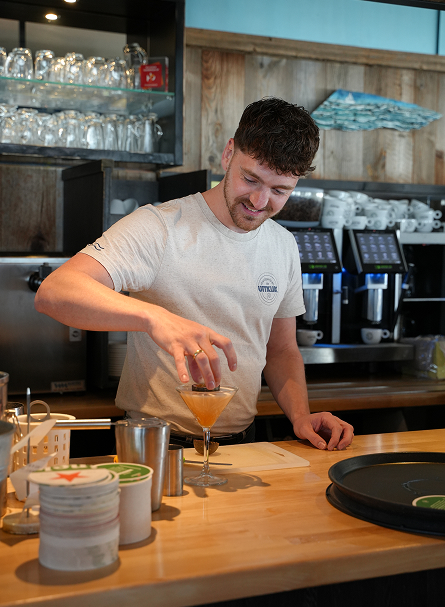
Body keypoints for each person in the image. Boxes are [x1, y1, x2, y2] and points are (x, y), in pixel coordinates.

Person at [35, 97, 354, 451]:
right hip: (155, 444)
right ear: (229, 154)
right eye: (251, 179)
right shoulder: (160, 226)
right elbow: (55, 291)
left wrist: (300, 415)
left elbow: (280, 349)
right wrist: (153, 318)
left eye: (280, 191)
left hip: (243, 446)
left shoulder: (283, 245)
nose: (260, 202)